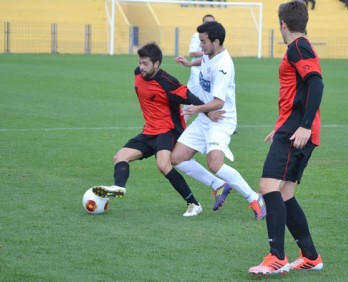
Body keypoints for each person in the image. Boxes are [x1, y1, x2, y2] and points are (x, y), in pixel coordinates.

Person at [92, 42, 229, 217]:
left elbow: (190, 96)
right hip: (149, 131)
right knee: (120, 157)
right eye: (140, 63)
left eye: (145, 64)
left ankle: (194, 204)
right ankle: (119, 188)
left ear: (157, 63)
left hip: (168, 130)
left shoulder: (168, 83)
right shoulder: (137, 74)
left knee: (163, 164)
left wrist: (209, 111)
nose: (141, 67)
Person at [248, 1, 324, 275]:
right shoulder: (303, 47)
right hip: (294, 127)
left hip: (298, 130)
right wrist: (282, 125)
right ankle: (311, 256)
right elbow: (302, 89)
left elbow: (316, 83)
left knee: (268, 185)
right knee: (285, 193)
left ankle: (277, 256)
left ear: (283, 24)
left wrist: (302, 125)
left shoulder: (297, 47)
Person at [172, 21, 266, 220]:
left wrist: (197, 108)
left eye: (203, 42)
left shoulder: (223, 66)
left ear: (216, 41)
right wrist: (190, 64)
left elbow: (218, 102)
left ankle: (254, 198)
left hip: (221, 120)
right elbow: (204, 61)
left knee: (215, 164)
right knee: (177, 158)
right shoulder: (209, 54)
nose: (201, 46)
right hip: (206, 117)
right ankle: (218, 185)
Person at [185, 14, 215, 98]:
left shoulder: (216, 37)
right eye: (207, 22)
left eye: (212, 23)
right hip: (197, 70)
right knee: (192, 95)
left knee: (208, 96)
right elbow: (192, 53)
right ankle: (185, 111)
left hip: (211, 69)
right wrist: (209, 51)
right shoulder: (196, 36)